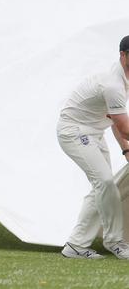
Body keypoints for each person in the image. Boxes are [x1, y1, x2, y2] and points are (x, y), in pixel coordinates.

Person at [57, 35, 129, 260]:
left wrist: (125, 149)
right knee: (105, 182)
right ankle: (116, 242)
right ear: (123, 55)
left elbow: (113, 120)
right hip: (74, 131)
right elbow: (124, 126)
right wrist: (126, 142)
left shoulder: (122, 78)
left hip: (94, 132)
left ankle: (76, 245)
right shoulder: (113, 84)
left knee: (102, 186)